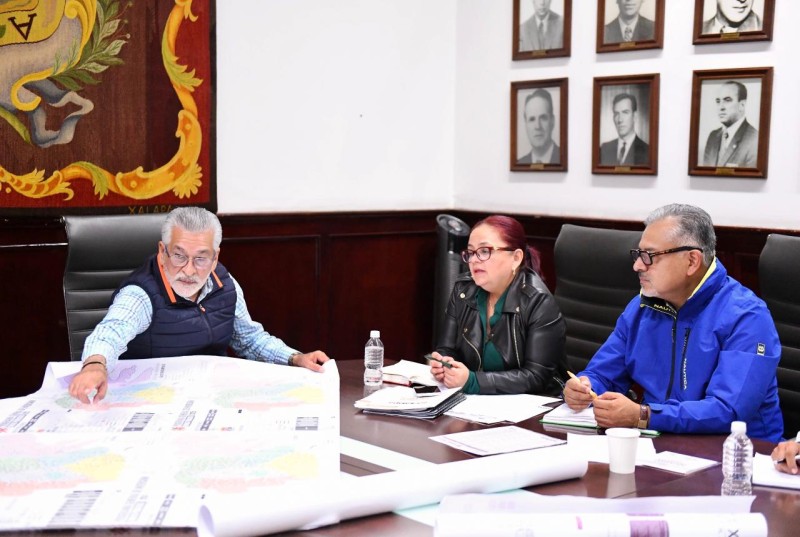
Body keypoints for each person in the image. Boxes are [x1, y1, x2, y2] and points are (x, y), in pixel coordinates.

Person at [563, 204, 783, 442]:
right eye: (638, 255)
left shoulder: (747, 316)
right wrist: (584, 387)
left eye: (649, 256)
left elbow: (727, 411)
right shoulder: (642, 307)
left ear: (692, 261)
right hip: (658, 442)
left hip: (737, 452)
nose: (637, 266)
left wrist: (644, 415)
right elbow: (603, 374)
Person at [68, 207, 330, 404]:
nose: (189, 270)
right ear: (162, 251)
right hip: (152, 401)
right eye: (179, 256)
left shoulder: (225, 285)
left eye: (201, 259)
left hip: (210, 397)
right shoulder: (141, 294)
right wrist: (94, 366)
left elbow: (249, 340)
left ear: (215, 258)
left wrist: (294, 358)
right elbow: (110, 332)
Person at [430, 215, 567, 396]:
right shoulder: (463, 290)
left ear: (516, 258)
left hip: (533, 404)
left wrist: (473, 381)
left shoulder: (538, 301)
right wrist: (444, 365)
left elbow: (536, 377)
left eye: (484, 251)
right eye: (470, 252)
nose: (474, 260)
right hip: (475, 402)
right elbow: (447, 348)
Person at [702, 80, 758, 168]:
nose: (721, 107)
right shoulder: (713, 136)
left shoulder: (754, 139)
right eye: (718, 101)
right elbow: (705, 172)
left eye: (727, 100)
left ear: (742, 105)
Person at [599, 93, 649, 166]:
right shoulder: (605, 148)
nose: (620, 120)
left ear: (634, 116)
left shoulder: (647, 151)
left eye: (625, 112)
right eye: (616, 113)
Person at [517, 88, 560, 165]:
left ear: (552, 121)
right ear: (526, 124)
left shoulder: (565, 158)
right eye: (532, 119)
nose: (537, 126)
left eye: (543, 118)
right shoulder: (520, 163)